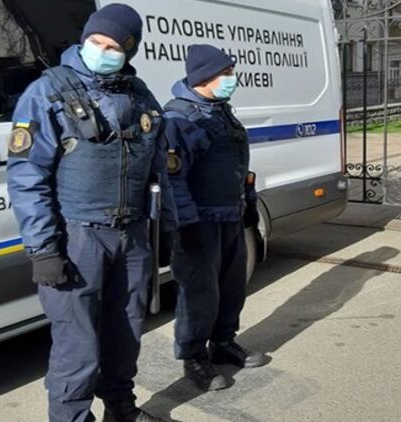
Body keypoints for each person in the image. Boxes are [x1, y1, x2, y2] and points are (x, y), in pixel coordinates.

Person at [6, 4, 176, 422]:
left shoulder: (140, 95)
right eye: (96, 42)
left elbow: (158, 167)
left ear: (129, 50)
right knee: (77, 345)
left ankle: (121, 407)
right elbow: (27, 177)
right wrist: (43, 248)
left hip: (132, 234)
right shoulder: (47, 92)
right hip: (77, 237)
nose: (102, 51)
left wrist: (169, 224)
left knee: (127, 331)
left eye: (114, 46)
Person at [164, 44, 265, 391]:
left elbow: (237, 163)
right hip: (200, 221)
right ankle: (194, 358)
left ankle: (223, 342)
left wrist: (248, 202)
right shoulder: (179, 118)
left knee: (231, 286)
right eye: (226, 73)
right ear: (204, 76)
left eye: (231, 72)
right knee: (199, 293)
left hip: (230, 215)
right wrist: (186, 224)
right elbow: (174, 180)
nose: (232, 78)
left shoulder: (221, 111)